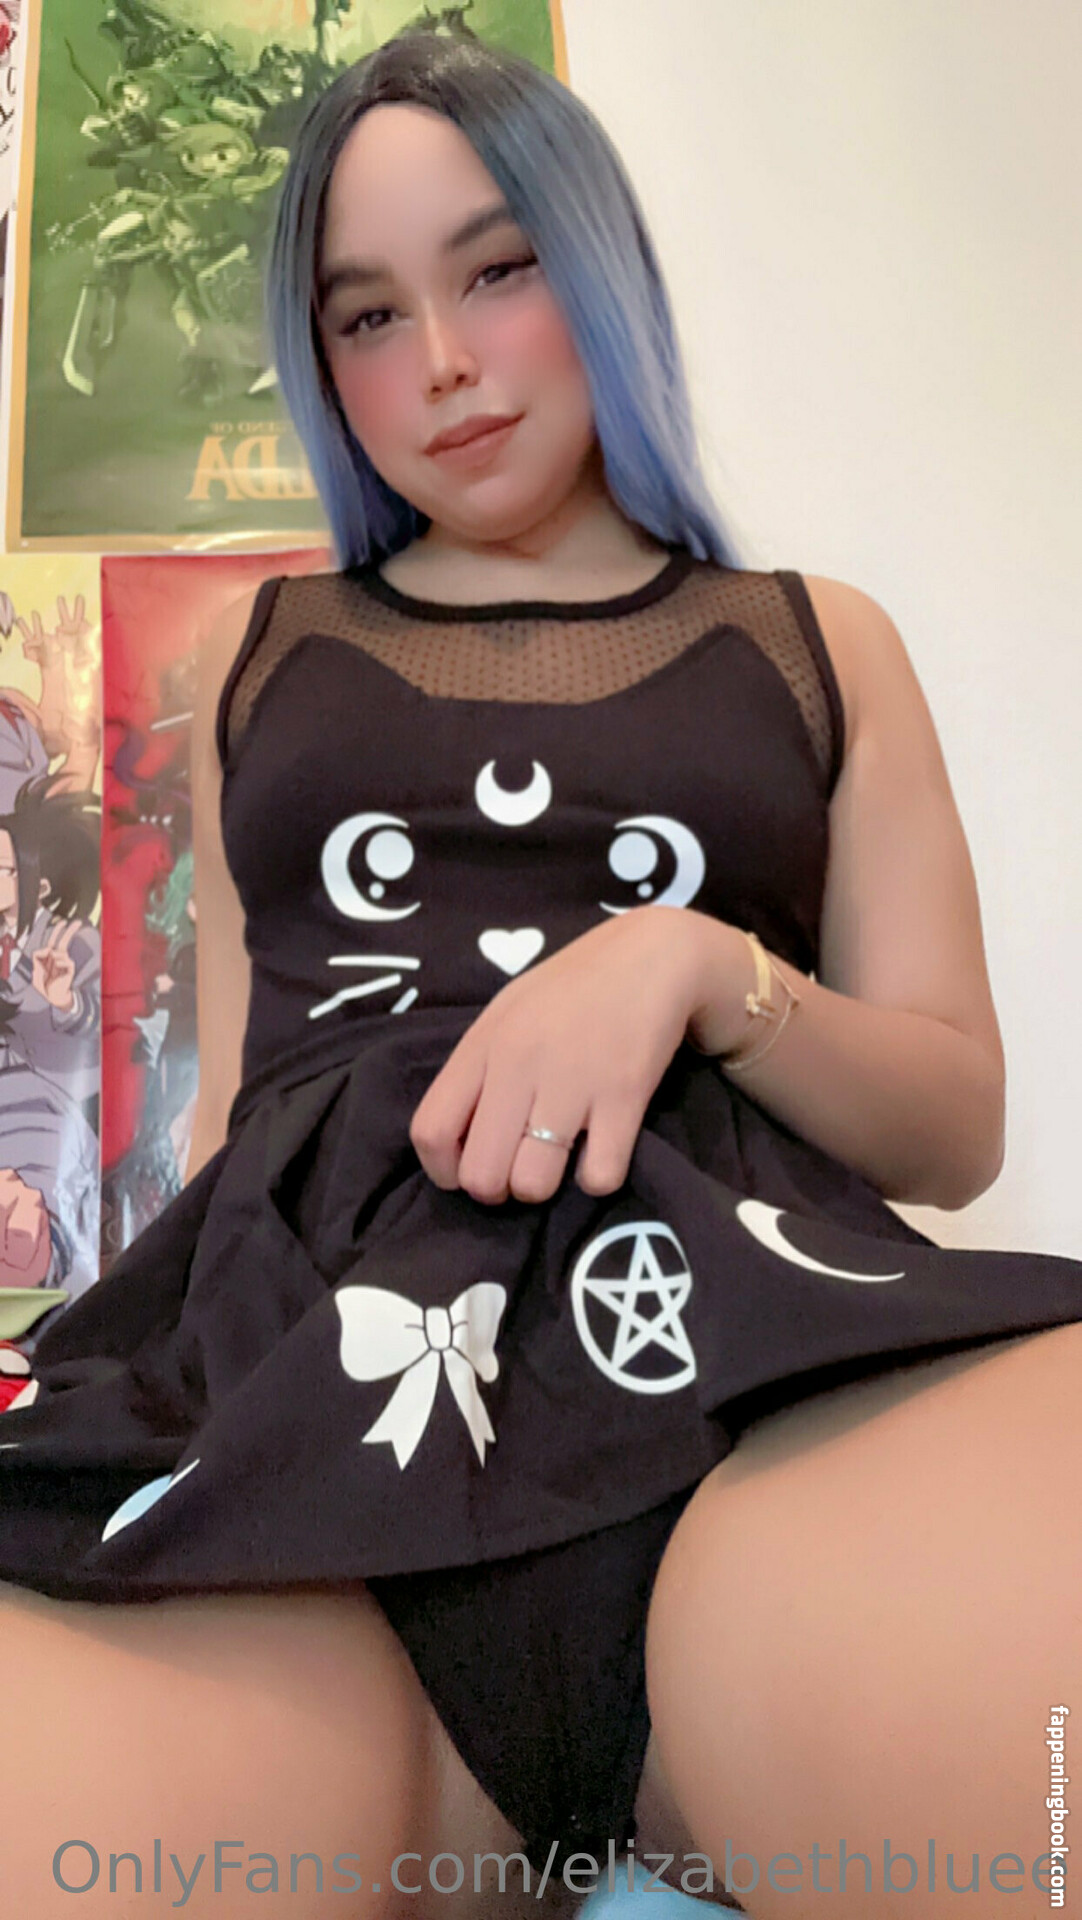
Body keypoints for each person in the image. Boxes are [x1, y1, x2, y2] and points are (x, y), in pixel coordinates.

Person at [1, 30, 1080, 1920]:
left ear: (596, 265)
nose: (437, 360)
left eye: (496, 269)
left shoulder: (816, 641)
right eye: (365, 314)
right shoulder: (251, 658)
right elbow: (246, 1109)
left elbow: (954, 1124)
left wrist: (699, 967)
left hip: (759, 1407)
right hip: (314, 1450)